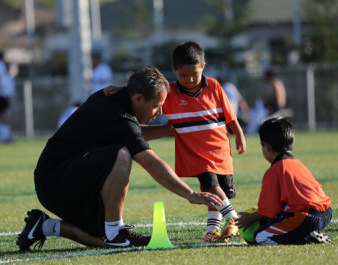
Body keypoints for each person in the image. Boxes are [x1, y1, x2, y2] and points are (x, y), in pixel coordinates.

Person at [16, 67, 223, 251]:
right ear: (138, 99)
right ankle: (116, 231)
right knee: (121, 154)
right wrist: (191, 194)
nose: (159, 112)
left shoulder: (117, 100)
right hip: (56, 181)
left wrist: (172, 129)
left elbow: (132, 134)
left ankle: (44, 226)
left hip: (62, 179)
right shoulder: (117, 115)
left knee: (101, 240)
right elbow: (150, 162)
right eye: (156, 106)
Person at [151, 41, 246, 243]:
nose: (190, 79)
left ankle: (211, 231)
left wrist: (239, 133)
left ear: (203, 66)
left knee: (215, 194)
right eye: (184, 75)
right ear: (174, 70)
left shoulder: (214, 86)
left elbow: (230, 116)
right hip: (196, 154)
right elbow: (152, 99)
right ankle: (234, 219)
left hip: (220, 151)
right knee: (211, 186)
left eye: (195, 73)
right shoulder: (169, 93)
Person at [236, 117, 333, 245]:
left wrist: (250, 218)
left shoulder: (274, 171)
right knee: (286, 220)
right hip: (326, 214)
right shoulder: (298, 164)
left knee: (260, 237)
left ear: (267, 147)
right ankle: (309, 233)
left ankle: (306, 238)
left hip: (304, 217)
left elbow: (271, 211)